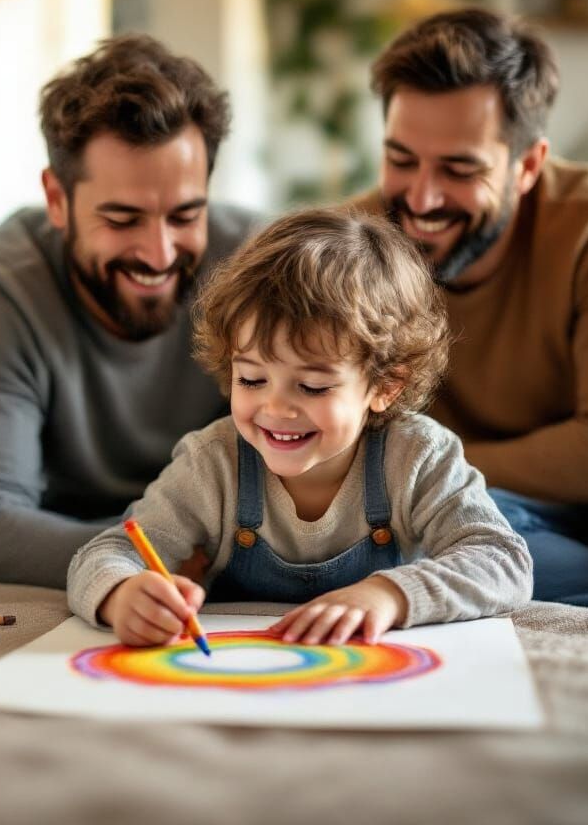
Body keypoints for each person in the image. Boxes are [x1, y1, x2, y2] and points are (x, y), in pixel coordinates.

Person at [353, 7, 588, 608]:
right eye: (402, 160)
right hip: (494, 498)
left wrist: (421, 465)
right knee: (422, 539)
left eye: (460, 169)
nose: (422, 197)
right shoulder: (353, 246)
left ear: (529, 165)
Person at [67, 207, 532, 647]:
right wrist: (122, 593)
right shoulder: (213, 462)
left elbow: (503, 561)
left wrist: (388, 595)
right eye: (251, 378)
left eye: (311, 386)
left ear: (386, 385)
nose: (275, 407)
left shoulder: (417, 456)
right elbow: (105, 553)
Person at [0, 34, 257, 588]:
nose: (159, 254)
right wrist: (160, 555)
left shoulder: (257, 264)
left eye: (185, 215)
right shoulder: (1, 288)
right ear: (57, 201)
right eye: (123, 219)